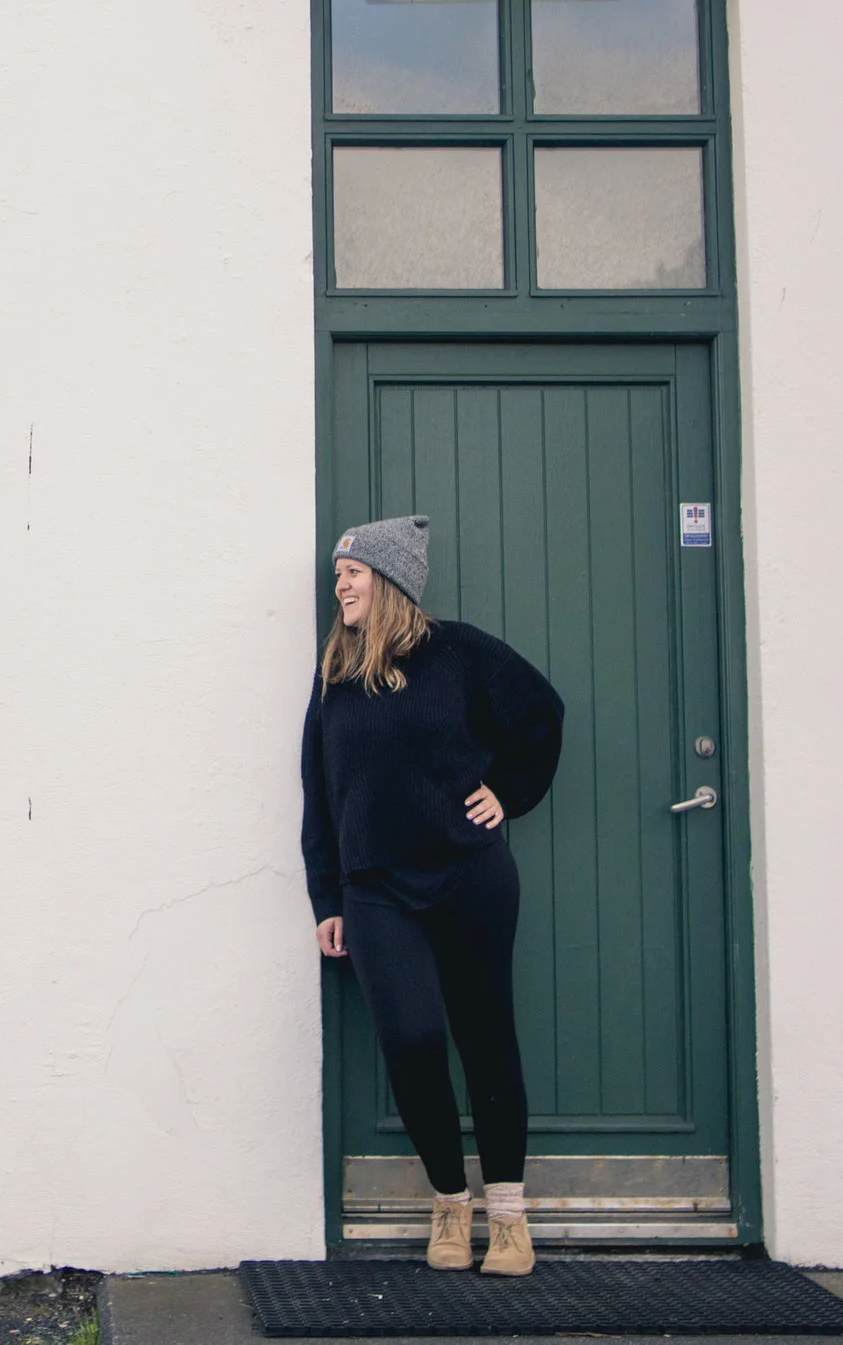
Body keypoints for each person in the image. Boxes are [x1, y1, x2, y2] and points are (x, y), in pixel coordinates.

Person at [299, 514, 565, 1278]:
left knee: (486, 1037)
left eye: (351, 570)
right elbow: (318, 792)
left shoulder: (458, 651)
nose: (340, 583)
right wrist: (328, 896)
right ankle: (451, 1198)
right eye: (337, 574)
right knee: (412, 1039)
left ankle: (509, 1216)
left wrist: (507, 793)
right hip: (376, 889)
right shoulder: (334, 676)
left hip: (468, 873)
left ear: (389, 578)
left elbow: (541, 715)